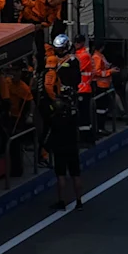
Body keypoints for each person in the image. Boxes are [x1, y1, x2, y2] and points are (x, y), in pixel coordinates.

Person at [42, 42, 86, 208]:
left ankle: (61, 201)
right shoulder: (72, 118)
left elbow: (50, 131)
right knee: (76, 174)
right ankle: (79, 201)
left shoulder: (55, 119)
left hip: (60, 148)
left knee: (60, 175)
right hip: (72, 147)